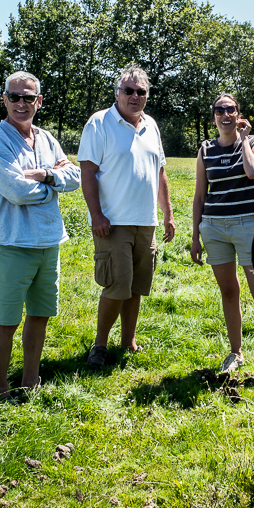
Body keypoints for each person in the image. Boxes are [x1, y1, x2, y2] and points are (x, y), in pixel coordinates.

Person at [0, 71, 81, 399]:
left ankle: (31, 380)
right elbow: (15, 191)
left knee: (40, 315)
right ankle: (0, 389)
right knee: (7, 320)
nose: (20, 103)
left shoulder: (47, 138)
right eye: (14, 97)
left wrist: (48, 175)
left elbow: (75, 175)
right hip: (11, 242)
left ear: (39, 101)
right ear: (4, 99)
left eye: (28, 97)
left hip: (49, 241)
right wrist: (54, 185)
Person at [78, 66, 175, 368]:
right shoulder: (100, 123)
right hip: (113, 223)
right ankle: (99, 344)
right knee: (118, 285)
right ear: (117, 93)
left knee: (137, 286)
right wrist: (96, 215)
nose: (135, 96)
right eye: (128, 91)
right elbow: (88, 171)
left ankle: (128, 341)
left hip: (146, 222)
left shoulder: (151, 125)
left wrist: (168, 215)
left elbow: (160, 172)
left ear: (147, 95)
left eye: (141, 91)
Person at [190, 94, 254, 380]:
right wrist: (195, 235)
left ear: (238, 114)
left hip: (248, 226)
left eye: (230, 109)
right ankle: (236, 352)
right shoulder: (205, 150)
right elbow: (199, 196)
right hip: (214, 228)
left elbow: (253, 172)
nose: (225, 114)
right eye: (219, 110)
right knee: (229, 292)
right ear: (214, 118)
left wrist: (244, 139)